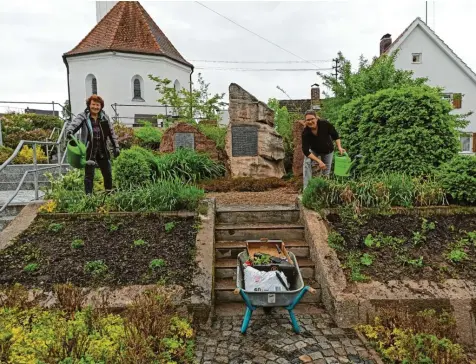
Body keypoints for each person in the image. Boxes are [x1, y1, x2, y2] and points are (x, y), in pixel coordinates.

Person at [65, 95, 120, 194]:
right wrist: (70, 131)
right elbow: (74, 124)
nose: (95, 107)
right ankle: (88, 197)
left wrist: (116, 146)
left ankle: (108, 193)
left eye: (98, 105)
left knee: (107, 173)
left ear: (101, 106)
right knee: (89, 174)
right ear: (89, 105)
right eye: (93, 104)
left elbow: (111, 133)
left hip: (102, 149)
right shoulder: (83, 116)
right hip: (89, 150)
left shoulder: (104, 117)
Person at [300, 110, 345, 189]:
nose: (310, 121)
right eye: (308, 120)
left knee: (326, 172)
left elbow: (335, 135)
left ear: (316, 118)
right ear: (305, 121)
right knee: (307, 162)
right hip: (315, 150)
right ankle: (307, 189)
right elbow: (305, 151)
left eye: (312, 119)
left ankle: (323, 190)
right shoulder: (305, 133)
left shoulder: (325, 124)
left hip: (328, 151)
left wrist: (340, 147)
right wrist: (319, 161)